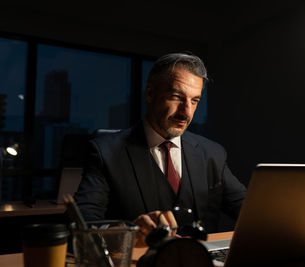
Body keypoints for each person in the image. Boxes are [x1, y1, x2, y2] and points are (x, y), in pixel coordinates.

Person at [74, 52, 246, 246]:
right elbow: (81, 223)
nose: (186, 112)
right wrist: (127, 234)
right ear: (150, 93)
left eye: (194, 101)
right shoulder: (105, 151)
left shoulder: (213, 153)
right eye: (176, 97)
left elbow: (249, 211)